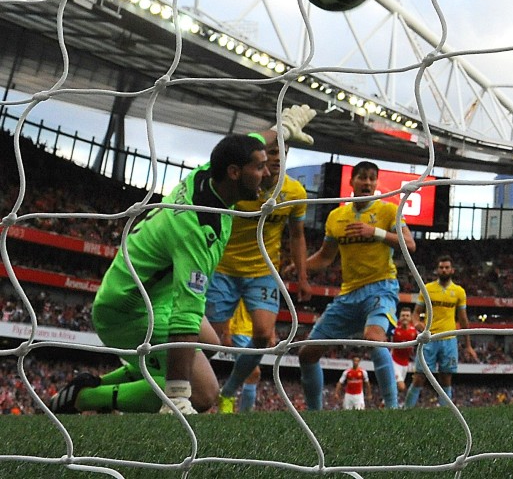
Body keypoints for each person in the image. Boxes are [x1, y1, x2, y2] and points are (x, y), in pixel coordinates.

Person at [48, 105, 315, 415]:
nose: (268, 173)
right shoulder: (197, 232)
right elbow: (185, 317)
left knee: (210, 342)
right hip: (128, 309)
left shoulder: (207, 175)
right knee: (202, 395)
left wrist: (282, 127)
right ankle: (84, 399)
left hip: (149, 294)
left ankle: (103, 381)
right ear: (235, 172)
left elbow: (250, 140)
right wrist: (177, 395)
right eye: (260, 167)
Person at [297, 160, 416, 410]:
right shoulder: (336, 217)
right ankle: (313, 416)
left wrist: (375, 232)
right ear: (351, 182)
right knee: (307, 354)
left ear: (376, 183)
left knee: (374, 338)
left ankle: (393, 409)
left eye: (372, 178)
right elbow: (326, 257)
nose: (368, 182)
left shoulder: (387, 211)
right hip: (348, 294)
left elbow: (410, 244)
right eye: (362, 177)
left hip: (381, 287)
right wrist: (300, 267)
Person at [206, 138, 313, 414]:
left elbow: (297, 236)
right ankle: (185, 387)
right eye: (273, 152)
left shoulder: (295, 192)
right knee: (210, 341)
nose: (278, 158)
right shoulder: (238, 187)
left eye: (283, 153)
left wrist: (302, 277)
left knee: (264, 336)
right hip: (224, 269)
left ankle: (227, 392)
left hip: (264, 271)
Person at [403, 255, 478, 408]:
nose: (444, 270)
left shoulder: (459, 292)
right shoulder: (427, 288)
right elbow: (416, 313)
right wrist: (417, 324)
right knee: (419, 377)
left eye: (447, 267)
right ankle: (406, 410)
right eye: (441, 267)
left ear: (452, 270)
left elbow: (463, 320)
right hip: (429, 339)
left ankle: (445, 413)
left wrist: (468, 345)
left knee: (446, 378)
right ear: (437, 270)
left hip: (449, 339)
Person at [221, 300, 262, 413]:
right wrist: (226, 332)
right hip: (238, 331)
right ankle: (243, 412)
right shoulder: (240, 282)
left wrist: (271, 333)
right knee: (254, 372)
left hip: (256, 332)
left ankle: (227, 395)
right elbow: (229, 302)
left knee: (252, 375)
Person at [389, 306, 419, 400]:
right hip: (394, 361)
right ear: (399, 317)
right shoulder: (393, 329)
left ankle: (385, 404)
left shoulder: (414, 332)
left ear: (410, 318)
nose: (405, 317)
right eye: (403, 315)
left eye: (407, 315)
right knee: (401, 386)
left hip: (405, 364)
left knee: (397, 389)